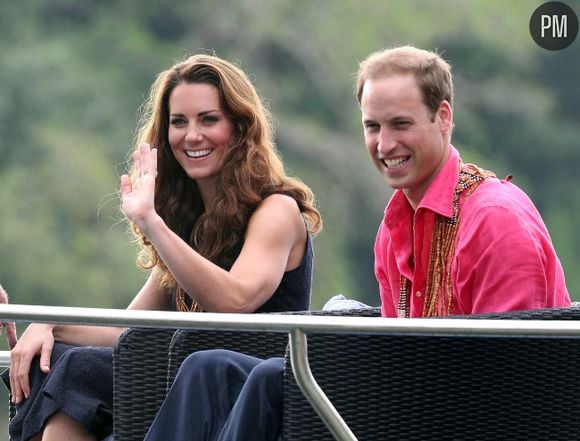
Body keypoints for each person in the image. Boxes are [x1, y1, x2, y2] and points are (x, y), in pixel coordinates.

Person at [141, 45, 570, 441]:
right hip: (410, 393)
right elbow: (396, 343)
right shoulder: (396, 221)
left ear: (443, 117)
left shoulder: (494, 217)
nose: (385, 145)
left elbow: (518, 377)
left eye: (401, 124)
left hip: (464, 413)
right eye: (373, 127)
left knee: (276, 377)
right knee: (208, 367)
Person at [2, 53, 322, 441]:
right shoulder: (188, 227)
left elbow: (236, 301)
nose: (192, 135)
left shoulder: (275, 210)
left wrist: (152, 224)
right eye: (178, 122)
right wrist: (50, 323)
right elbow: (132, 331)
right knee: (61, 364)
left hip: (246, 396)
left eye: (209, 119)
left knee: (78, 368)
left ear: (239, 128)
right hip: (176, 386)